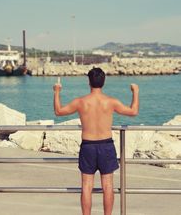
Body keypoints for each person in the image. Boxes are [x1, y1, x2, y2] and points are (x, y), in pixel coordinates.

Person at [53, 67, 139, 215]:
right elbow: (133, 111)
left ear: (89, 82)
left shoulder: (81, 102)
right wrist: (135, 92)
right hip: (106, 145)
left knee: (86, 186)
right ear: (103, 82)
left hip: (88, 146)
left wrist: (57, 91)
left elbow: (59, 111)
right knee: (108, 186)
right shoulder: (110, 102)